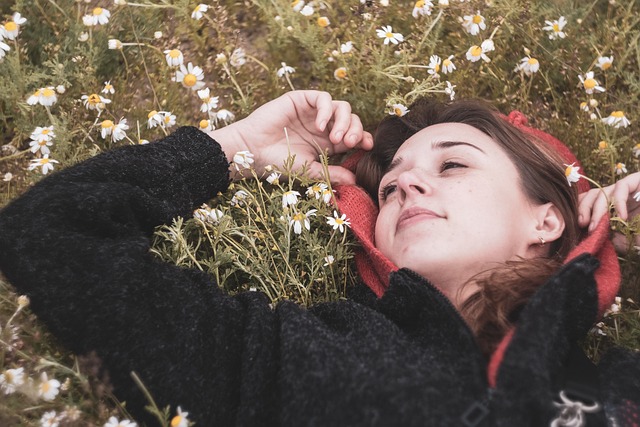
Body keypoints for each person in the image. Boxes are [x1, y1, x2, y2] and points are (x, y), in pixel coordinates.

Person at [0, 90, 638, 426]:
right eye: (388, 188)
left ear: (546, 220)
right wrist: (234, 149)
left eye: (451, 165)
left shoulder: (617, 385)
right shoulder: (295, 354)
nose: (407, 185)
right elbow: (50, 234)